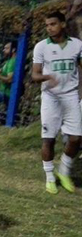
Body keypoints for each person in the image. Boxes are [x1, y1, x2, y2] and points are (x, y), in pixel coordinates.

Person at [31, 12, 82, 195]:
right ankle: (50, 177)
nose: (49, 28)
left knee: (76, 138)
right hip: (51, 98)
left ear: (62, 24)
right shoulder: (41, 47)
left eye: (53, 24)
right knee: (49, 139)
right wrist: (46, 77)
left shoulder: (77, 45)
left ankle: (64, 171)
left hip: (70, 96)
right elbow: (34, 74)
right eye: (47, 25)